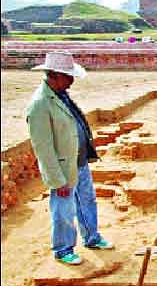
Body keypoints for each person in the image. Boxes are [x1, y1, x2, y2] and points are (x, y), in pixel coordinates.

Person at [26, 52, 114, 265]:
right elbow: (43, 148)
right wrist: (57, 180)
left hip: (80, 162)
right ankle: (63, 249)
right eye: (68, 76)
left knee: (87, 201)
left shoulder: (61, 94)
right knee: (64, 210)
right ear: (54, 75)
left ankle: (92, 237)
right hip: (63, 169)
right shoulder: (40, 104)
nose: (72, 80)